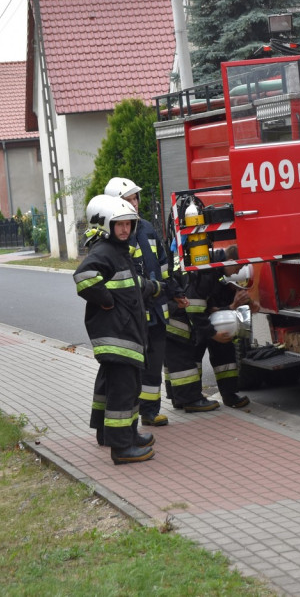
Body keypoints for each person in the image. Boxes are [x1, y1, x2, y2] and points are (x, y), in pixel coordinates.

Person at [73, 194, 161, 465]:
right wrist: (107, 301)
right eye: (119, 224)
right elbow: (84, 277)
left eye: (129, 224)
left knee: (118, 386)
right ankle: (122, 448)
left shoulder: (118, 251)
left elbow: (130, 285)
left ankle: (117, 433)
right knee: (124, 390)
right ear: (106, 225)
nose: (125, 230)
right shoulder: (105, 251)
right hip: (118, 337)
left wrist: (156, 288)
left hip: (122, 336)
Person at [104, 177, 181, 428]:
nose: (135, 204)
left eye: (136, 198)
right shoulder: (113, 235)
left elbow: (163, 264)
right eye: (129, 200)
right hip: (132, 314)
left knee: (153, 364)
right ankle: (128, 416)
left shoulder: (146, 228)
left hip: (157, 309)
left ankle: (150, 411)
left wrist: (174, 292)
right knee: (131, 368)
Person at [175, 244, 250, 411]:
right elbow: (194, 310)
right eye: (238, 268)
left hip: (195, 314)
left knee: (224, 351)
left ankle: (229, 394)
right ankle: (188, 399)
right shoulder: (207, 270)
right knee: (191, 357)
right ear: (230, 262)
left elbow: (214, 297)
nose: (237, 273)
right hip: (184, 317)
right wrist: (213, 333)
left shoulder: (216, 268)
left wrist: (230, 305)